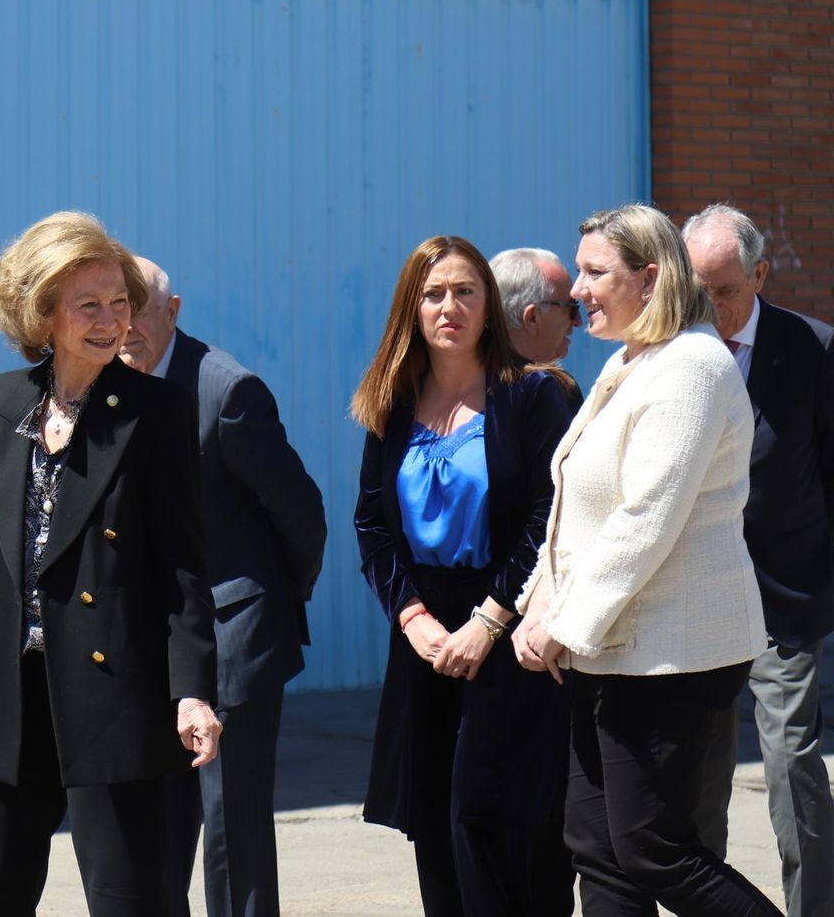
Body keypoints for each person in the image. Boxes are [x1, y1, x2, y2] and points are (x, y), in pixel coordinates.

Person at [0, 212, 220, 917]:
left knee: (131, 898)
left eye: (121, 303)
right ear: (43, 312)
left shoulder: (155, 411)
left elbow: (183, 563)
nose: (111, 320)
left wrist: (193, 689)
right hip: (9, 694)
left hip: (114, 696)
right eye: (89, 305)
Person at [515, 203, 780, 916]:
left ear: (651, 277)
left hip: (671, 653)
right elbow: (576, 504)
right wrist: (538, 599)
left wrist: (563, 624)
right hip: (613, 646)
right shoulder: (630, 361)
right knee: (598, 849)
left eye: (597, 272)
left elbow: (646, 518)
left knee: (654, 848)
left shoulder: (693, 365)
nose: (577, 288)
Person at [351, 235, 579, 916]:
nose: (448, 306)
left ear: (488, 305)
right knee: (435, 832)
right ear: (411, 308)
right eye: (433, 293)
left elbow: (549, 517)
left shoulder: (534, 397)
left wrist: (488, 620)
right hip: (424, 644)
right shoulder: (390, 402)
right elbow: (371, 523)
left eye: (464, 291)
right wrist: (414, 617)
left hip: (509, 639)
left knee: (498, 834)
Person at [118, 257, 327, 917]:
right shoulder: (103, 386)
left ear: (172, 309)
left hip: (233, 637)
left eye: (138, 308)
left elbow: (300, 511)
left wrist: (267, 602)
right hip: (150, 646)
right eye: (111, 308)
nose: (124, 327)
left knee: (229, 826)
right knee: (154, 828)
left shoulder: (226, 390)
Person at [683, 203, 834, 916]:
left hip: (784, 598)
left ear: (761, 273)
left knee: (792, 766)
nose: (710, 306)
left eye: (724, 289)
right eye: (697, 290)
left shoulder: (813, 350)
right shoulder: (672, 355)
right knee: (699, 779)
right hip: (697, 602)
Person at [488, 247, 580, 364]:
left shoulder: (468, 378)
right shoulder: (542, 382)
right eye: (570, 308)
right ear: (532, 318)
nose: (578, 321)